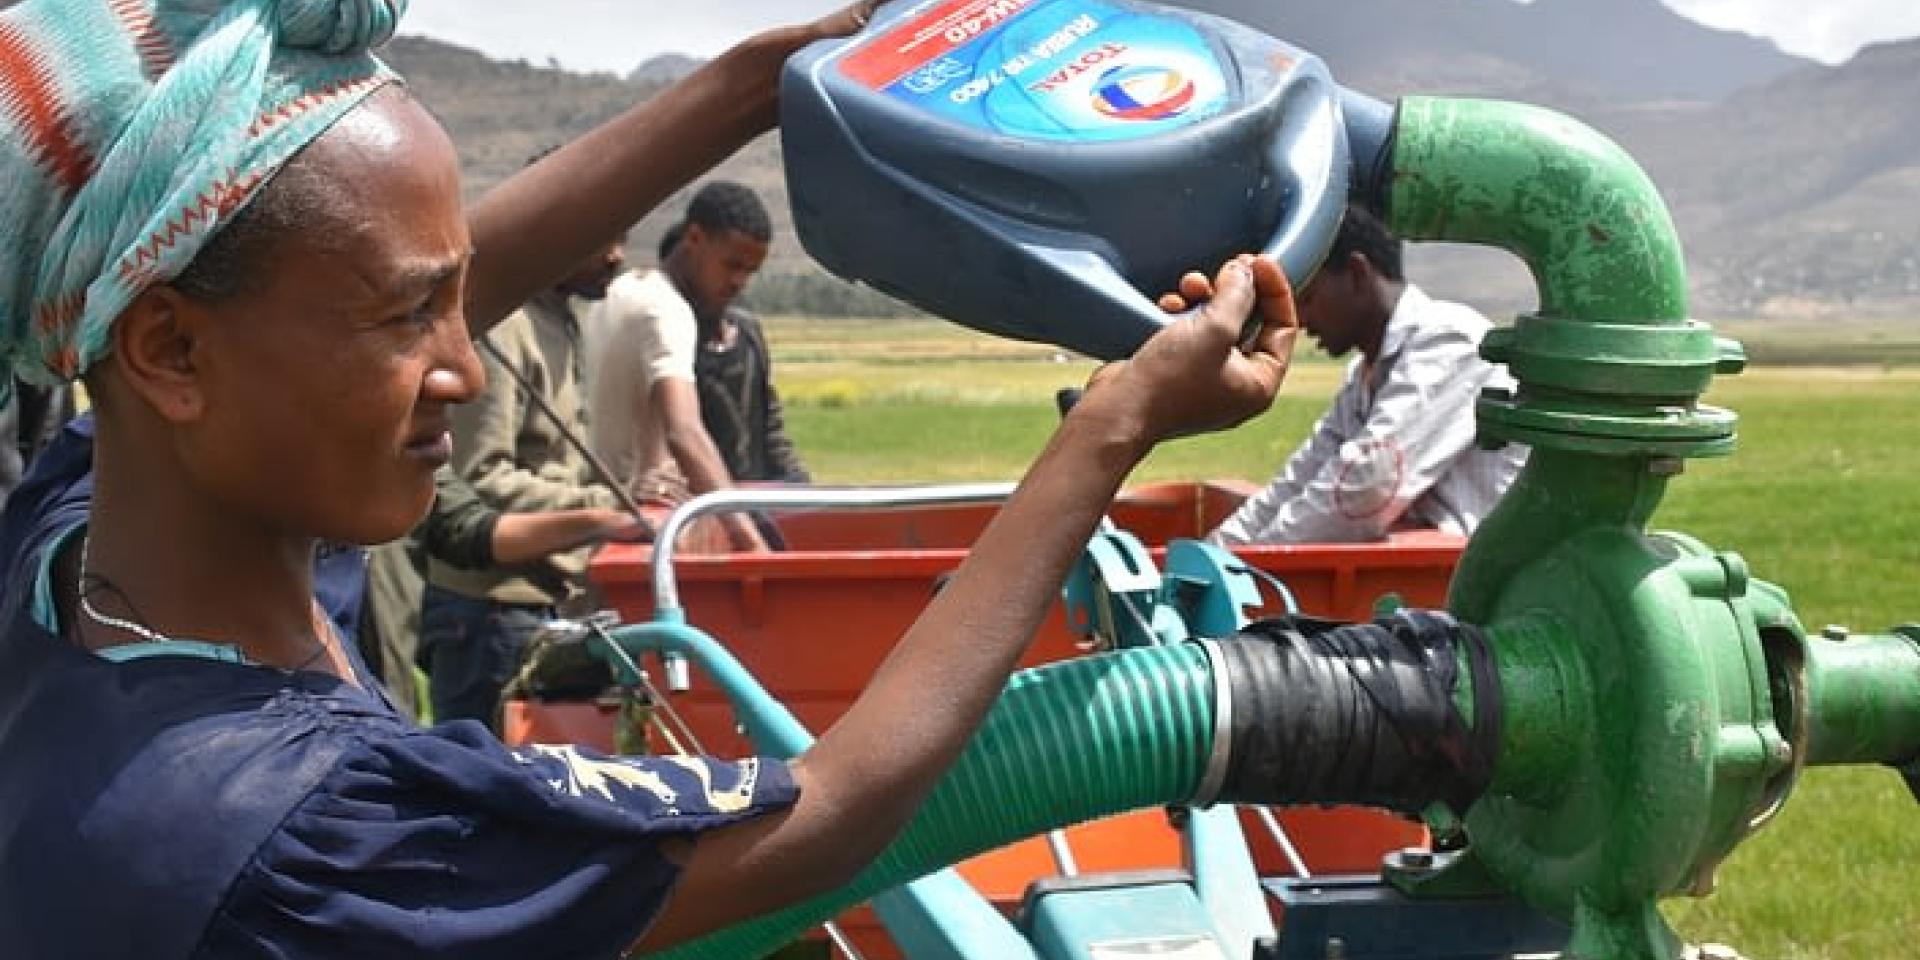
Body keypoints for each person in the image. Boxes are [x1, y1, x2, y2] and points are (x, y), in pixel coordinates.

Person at [0, 3, 1297, 959]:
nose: (467, 366)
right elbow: (830, 814)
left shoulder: (82, 546)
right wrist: (1112, 425)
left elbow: (355, 287)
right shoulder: (325, 837)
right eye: (413, 321)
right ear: (171, 347)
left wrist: (751, 85)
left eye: (464, 304)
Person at [1207, 204, 1527, 545]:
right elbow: (1304, 474)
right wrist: (1221, 548)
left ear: (1357, 273)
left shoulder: (1450, 344)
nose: (1299, 320)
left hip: (1476, 578)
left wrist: (1256, 559)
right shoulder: (1363, 375)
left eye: (1308, 298)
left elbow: (1367, 487)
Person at [419, 233, 634, 729]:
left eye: (623, 237)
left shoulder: (561, 318)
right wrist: (604, 507)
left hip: (538, 598)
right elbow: (481, 476)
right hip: (491, 608)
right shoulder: (507, 328)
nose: (616, 254)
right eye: (605, 237)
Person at [584, 182, 784, 552]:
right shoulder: (667, 310)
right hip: (633, 524)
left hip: (593, 514)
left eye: (750, 271)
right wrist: (751, 542)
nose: (739, 282)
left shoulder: (620, 290)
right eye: (732, 265)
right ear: (694, 238)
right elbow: (685, 432)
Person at [359, 469, 646, 720]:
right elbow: (484, 481)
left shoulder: (409, 456)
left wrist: (601, 522)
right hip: (485, 616)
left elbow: (463, 527)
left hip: (374, 689)